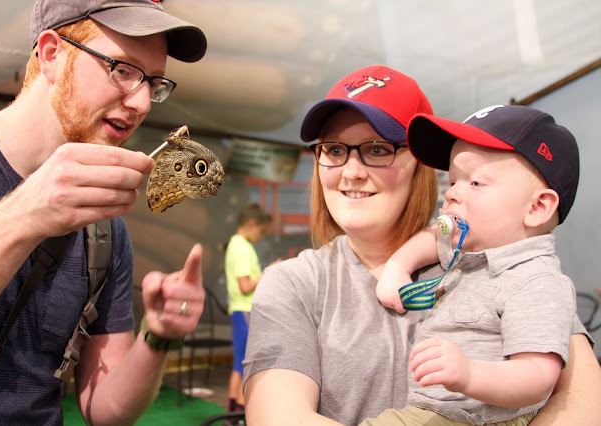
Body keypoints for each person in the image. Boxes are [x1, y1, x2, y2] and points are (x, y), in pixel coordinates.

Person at [241, 65, 601, 426]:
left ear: (420, 166)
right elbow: (278, 417)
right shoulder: (295, 282)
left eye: (377, 149)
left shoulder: (493, 259)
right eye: (334, 149)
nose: (351, 171)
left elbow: (582, 399)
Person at [0, 0, 209, 424]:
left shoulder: (105, 228)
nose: (143, 103)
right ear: (52, 54)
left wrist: (158, 335)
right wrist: (27, 212)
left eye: (154, 82)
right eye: (124, 69)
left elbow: (103, 409)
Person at [368, 104, 579, 425]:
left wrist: (470, 373)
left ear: (537, 207)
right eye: (453, 181)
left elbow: (537, 375)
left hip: (473, 418)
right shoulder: (473, 246)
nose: (451, 194)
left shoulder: (535, 280)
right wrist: (398, 265)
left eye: (476, 183)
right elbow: (432, 236)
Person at [224, 203, 278, 414]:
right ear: (251, 224)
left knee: (239, 365)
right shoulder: (241, 247)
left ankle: (231, 414)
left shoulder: (237, 245)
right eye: (261, 231)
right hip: (245, 311)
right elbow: (244, 285)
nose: (261, 236)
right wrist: (269, 272)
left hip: (241, 312)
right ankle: (240, 413)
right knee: (248, 366)